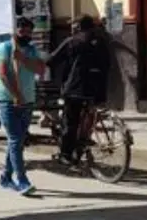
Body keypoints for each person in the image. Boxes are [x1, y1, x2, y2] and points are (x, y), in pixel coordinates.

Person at [46, 15, 112, 165]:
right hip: (98, 88)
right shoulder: (102, 41)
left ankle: (66, 154)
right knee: (89, 117)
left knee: (70, 121)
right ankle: (81, 147)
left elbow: (52, 60)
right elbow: (108, 64)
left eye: (74, 25)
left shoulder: (73, 41)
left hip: (77, 88)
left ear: (78, 27)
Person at [0, 18, 46, 195]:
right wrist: (17, 95)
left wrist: (23, 59)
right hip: (8, 101)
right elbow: (2, 74)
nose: (26, 34)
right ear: (15, 31)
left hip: (28, 101)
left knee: (17, 141)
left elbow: (40, 70)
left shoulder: (31, 50)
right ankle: (22, 180)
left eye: (29, 32)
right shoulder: (4, 48)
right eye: (22, 31)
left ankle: (6, 177)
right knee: (16, 140)